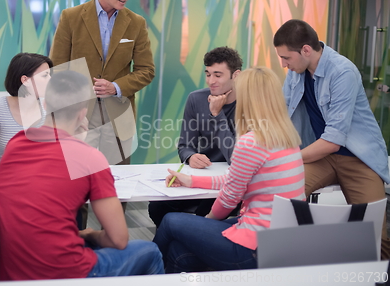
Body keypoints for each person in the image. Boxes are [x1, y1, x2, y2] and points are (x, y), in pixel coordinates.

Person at [0, 70, 163, 280]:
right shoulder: (90, 158)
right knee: (150, 251)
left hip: (12, 273)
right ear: (83, 114)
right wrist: (91, 234)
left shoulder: (15, 143)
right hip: (65, 274)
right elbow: (119, 240)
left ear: (45, 105)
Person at [153, 67, 305, 273]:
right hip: (281, 243)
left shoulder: (251, 141)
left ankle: (143, 275)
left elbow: (229, 199)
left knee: (171, 221)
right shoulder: (287, 138)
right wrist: (191, 180)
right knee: (178, 253)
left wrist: (205, 223)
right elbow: (235, 178)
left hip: (254, 248)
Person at [274, 19, 390, 259]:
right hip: (320, 155)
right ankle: (286, 260)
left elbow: (333, 140)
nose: (284, 65)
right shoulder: (297, 73)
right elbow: (282, 115)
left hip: (358, 158)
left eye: (286, 58)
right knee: (277, 193)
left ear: (306, 50)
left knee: (375, 233)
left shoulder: (343, 72)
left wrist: (287, 156)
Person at [49, 0, 155, 165]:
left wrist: (115, 87)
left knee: (117, 183)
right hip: (77, 113)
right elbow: (58, 68)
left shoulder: (137, 23)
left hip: (119, 115)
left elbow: (146, 70)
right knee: (76, 178)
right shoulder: (71, 17)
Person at [148, 46, 242, 228]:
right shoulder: (196, 99)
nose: (210, 81)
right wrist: (191, 156)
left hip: (231, 182)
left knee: (203, 215)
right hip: (202, 175)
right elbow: (184, 145)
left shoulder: (249, 103)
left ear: (236, 75)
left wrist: (217, 114)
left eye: (218, 75)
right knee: (157, 207)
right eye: (208, 74)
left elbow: (235, 158)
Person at [0, 53, 53, 174]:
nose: (51, 80)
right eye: (45, 75)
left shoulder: (48, 109)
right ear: (25, 80)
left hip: (41, 180)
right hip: (6, 179)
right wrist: (14, 172)